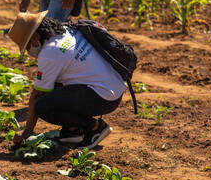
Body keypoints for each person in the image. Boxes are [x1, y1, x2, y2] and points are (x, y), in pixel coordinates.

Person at [7, 11, 126, 149]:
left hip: (103, 98)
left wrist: (27, 131)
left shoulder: (49, 53)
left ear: (34, 39)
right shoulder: (66, 30)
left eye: (26, 47)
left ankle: (95, 127)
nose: (28, 52)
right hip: (113, 88)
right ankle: (73, 130)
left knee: (41, 106)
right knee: (53, 84)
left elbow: (37, 95)